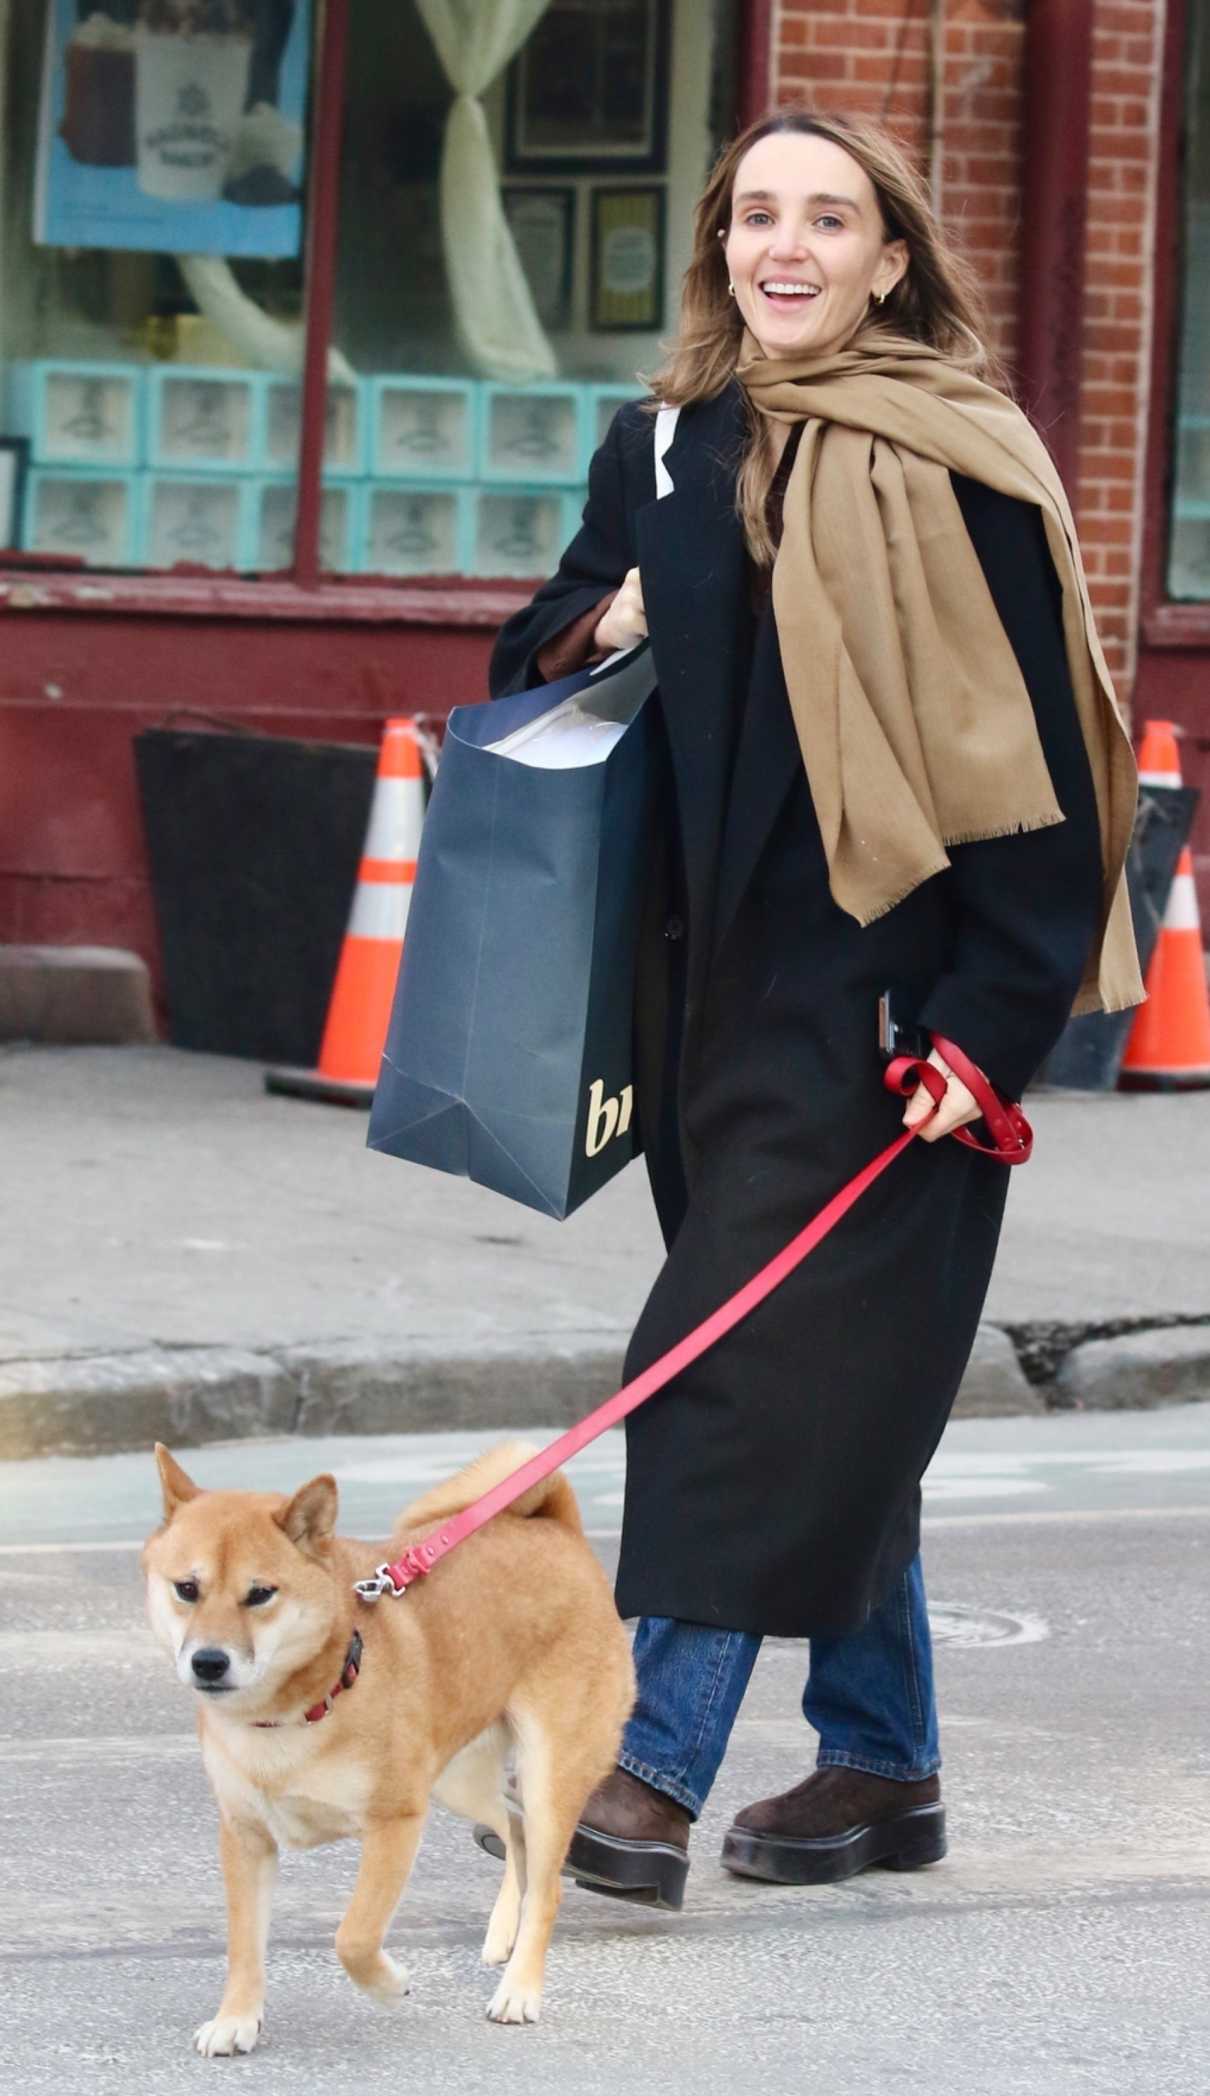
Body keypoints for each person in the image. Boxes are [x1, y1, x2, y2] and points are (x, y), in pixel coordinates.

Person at [488, 108, 1143, 1910]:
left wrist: (985, 1026)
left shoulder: (959, 457)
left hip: (886, 1017)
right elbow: (532, 652)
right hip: (701, 1002)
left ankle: (644, 1776)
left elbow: (1040, 773)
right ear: (722, 247)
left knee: (729, 1386)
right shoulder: (666, 446)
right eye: (754, 215)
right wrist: (601, 617)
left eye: (826, 219)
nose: (785, 245)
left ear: (888, 258)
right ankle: (881, 1765)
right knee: (842, 1400)